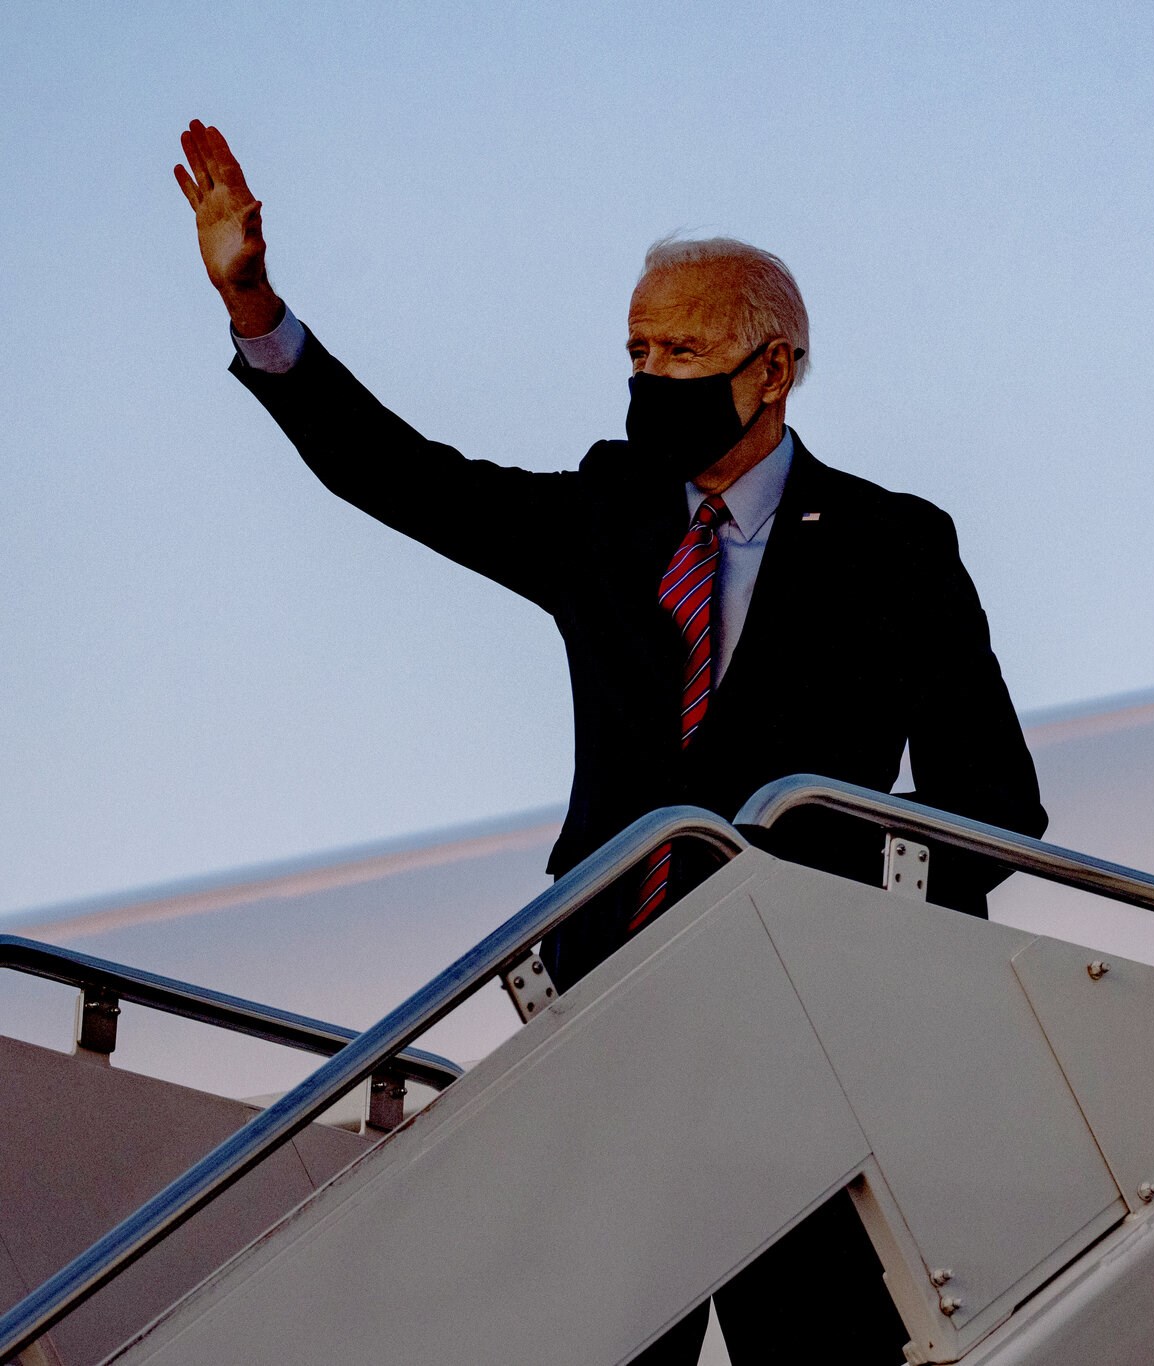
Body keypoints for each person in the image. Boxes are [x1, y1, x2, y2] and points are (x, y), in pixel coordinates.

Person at [174, 119, 1046, 1364]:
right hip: (609, 1019)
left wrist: (872, 960)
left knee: (819, 1340)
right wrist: (255, 304)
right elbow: (402, 476)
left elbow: (994, 802)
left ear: (771, 371)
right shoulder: (605, 513)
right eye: (635, 347)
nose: (648, 373)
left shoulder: (892, 546)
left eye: (681, 348)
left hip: (792, 1036)